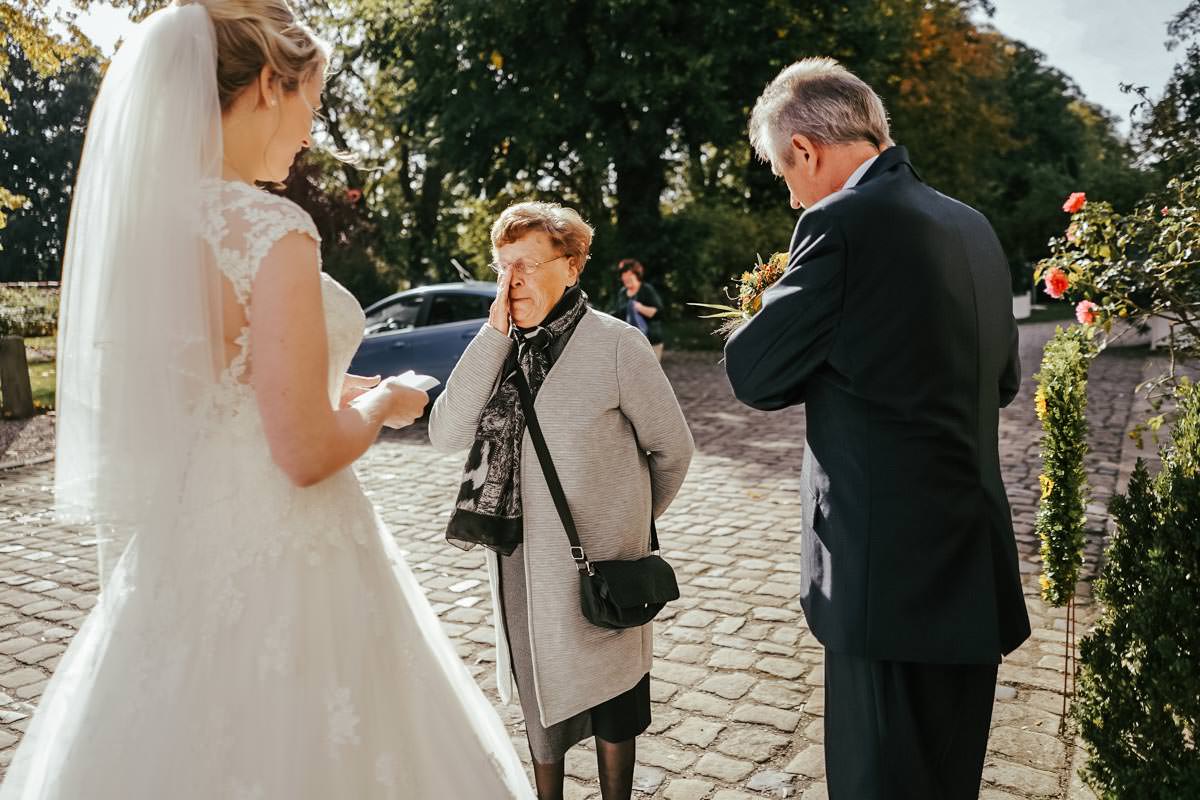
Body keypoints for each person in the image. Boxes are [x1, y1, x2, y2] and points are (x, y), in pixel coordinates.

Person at [0, 3, 533, 798]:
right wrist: (384, 403)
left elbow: (214, 379)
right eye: (310, 102)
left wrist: (325, 384)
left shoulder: (147, 231)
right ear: (265, 87)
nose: (310, 131)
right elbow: (305, 453)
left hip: (185, 540)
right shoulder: (269, 227)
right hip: (290, 547)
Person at [723, 58, 1030, 799]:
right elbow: (1003, 382)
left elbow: (754, 374)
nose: (790, 193)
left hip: (885, 583)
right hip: (971, 567)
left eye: (783, 172)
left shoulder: (840, 222)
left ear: (805, 150)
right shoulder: (971, 224)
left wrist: (777, 311)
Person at [429, 202, 694, 800]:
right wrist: (492, 336)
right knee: (542, 712)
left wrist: (626, 525)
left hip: (602, 572)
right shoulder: (499, 350)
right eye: (501, 266)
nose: (511, 281)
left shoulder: (617, 345)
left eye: (525, 264)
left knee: (615, 711)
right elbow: (444, 434)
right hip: (523, 572)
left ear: (571, 266)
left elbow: (673, 450)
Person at [609, 258, 666, 360]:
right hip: (630, 343)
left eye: (629, 274)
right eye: (623, 275)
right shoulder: (622, 293)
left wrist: (640, 308)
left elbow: (660, 313)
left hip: (651, 343)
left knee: (649, 370)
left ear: (637, 275)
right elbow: (618, 314)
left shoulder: (647, 290)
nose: (625, 278)